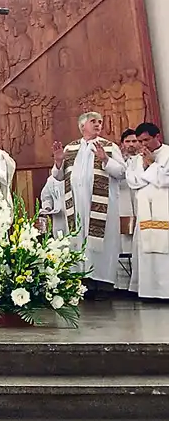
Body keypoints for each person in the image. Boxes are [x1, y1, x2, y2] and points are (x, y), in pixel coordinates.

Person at [51, 111, 127, 299]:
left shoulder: (109, 147)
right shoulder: (70, 148)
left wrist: (105, 159)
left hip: (102, 207)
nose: (98, 124)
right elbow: (58, 177)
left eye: (100, 121)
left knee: (101, 243)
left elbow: (122, 172)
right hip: (77, 206)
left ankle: (103, 284)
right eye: (93, 121)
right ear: (82, 125)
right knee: (79, 241)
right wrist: (58, 162)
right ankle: (83, 283)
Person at [129, 122, 169, 300]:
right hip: (145, 211)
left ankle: (165, 291)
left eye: (146, 140)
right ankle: (148, 291)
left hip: (165, 209)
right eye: (139, 141)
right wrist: (149, 170)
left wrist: (151, 165)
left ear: (157, 137)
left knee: (164, 249)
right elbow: (132, 181)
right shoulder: (136, 159)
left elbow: (165, 180)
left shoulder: (167, 154)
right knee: (145, 249)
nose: (142, 144)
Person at [118, 128, 143, 292]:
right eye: (128, 141)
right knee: (124, 241)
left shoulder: (144, 159)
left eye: (134, 141)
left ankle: (138, 282)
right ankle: (122, 284)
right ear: (122, 144)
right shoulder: (119, 161)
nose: (131, 144)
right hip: (123, 202)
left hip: (140, 202)